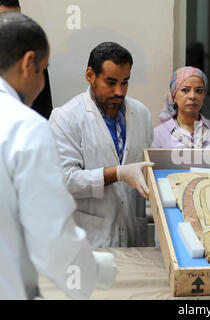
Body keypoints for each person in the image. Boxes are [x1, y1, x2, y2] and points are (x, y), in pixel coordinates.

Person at [0, 12, 116, 300]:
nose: (41, 84)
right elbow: (50, 234)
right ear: (29, 63)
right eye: (43, 70)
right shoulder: (24, 126)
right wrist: (93, 270)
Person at [49, 42, 154, 248]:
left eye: (125, 82)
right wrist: (117, 173)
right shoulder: (65, 117)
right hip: (90, 238)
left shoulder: (141, 114)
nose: (119, 91)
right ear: (90, 75)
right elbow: (65, 180)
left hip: (133, 237)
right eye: (111, 82)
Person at [0, 0, 53, 119]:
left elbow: (43, 114)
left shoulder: (35, 61)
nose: (13, 30)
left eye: (17, 20)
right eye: (4, 21)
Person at [152, 66, 210, 148]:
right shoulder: (158, 135)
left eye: (199, 91)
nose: (192, 96)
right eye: (185, 90)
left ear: (204, 96)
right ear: (174, 95)